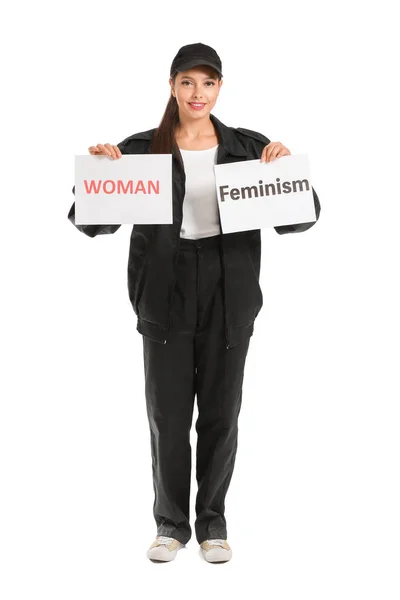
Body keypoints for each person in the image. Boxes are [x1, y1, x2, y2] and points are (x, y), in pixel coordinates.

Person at [68, 42, 321, 563]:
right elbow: (91, 223)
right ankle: (170, 525)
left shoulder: (249, 146)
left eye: (208, 83)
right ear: (172, 86)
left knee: (222, 414)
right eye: (188, 82)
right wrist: (98, 172)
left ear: (220, 88)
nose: (197, 93)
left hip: (230, 289)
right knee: (168, 414)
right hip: (165, 289)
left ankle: (213, 525)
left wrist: (284, 167)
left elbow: (301, 218)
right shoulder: (141, 149)